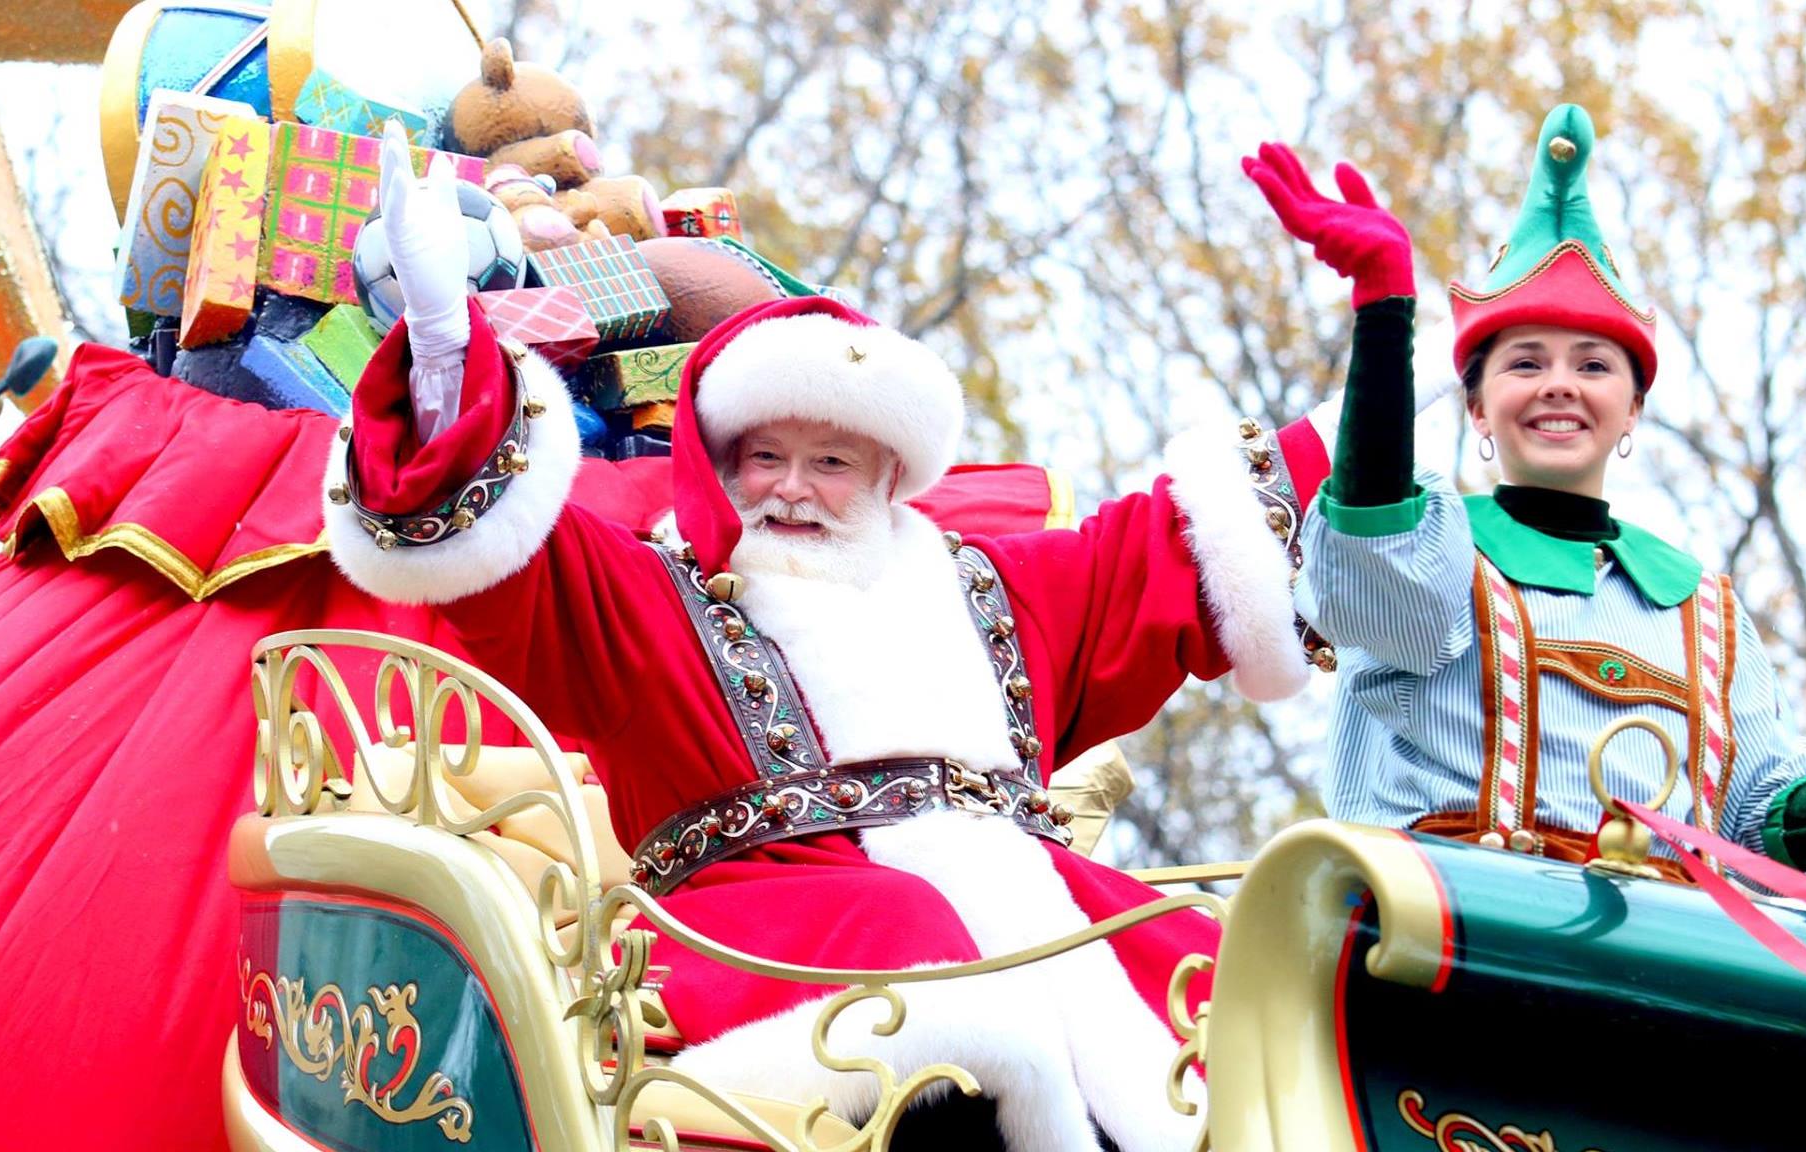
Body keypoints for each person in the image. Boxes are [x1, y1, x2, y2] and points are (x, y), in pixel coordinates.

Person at [324, 121, 1447, 1152]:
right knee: (918, 960)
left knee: (1260, 989)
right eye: (766, 456)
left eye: (832, 461)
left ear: (888, 474)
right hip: (776, 951)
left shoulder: (993, 589)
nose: (795, 489)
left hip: (1046, 931)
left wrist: (1388, 329)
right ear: (720, 465)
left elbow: (1210, 546)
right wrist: (440, 350)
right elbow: (503, 556)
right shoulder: (659, 594)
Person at [1245, 104, 1806, 880]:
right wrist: (1384, 315)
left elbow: (1754, 829)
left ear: (1634, 408)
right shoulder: (1442, 556)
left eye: (1593, 366)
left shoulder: (1707, 613)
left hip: (1655, 976)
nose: (1559, 385)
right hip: (1442, 953)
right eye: (1525, 363)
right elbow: (1376, 567)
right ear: (1478, 407)